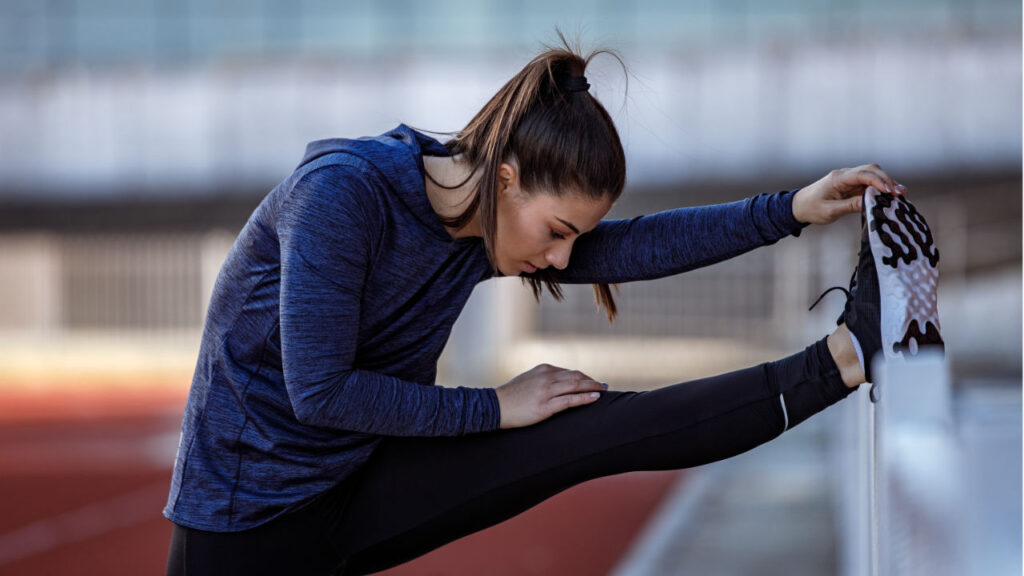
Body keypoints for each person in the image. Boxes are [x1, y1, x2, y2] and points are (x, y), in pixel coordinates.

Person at [164, 37, 943, 575]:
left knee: (592, 425)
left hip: (357, 477)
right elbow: (320, 391)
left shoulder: (484, 227)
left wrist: (791, 210)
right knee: (538, 412)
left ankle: (845, 357)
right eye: (559, 232)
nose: (564, 259)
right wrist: (496, 406)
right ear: (505, 177)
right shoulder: (343, 195)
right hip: (247, 518)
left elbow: (636, 248)